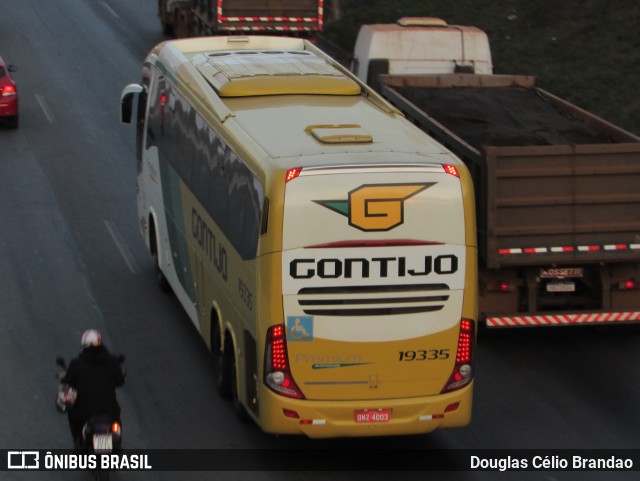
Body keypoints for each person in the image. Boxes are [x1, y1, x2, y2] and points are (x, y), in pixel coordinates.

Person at [60, 329, 125, 448]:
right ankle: (117, 442)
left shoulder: (76, 364)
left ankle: (78, 442)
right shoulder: (112, 362)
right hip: (109, 412)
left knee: (72, 414)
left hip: (85, 413)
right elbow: (120, 381)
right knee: (116, 421)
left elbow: (67, 381)